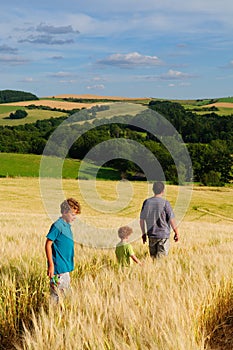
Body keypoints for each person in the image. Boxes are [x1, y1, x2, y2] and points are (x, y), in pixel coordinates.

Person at [45, 197, 81, 302]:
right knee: (56, 297)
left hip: (65, 268)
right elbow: (48, 244)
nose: (75, 217)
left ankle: (61, 315)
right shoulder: (57, 225)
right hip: (58, 269)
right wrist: (51, 265)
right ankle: (54, 315)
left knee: (65, 297)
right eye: (73, 215)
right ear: (65, 212)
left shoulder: (67, 226)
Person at [140, 181, 179, 259]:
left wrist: (143, 234)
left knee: (153, 260)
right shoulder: (165, 203)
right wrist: (176, 232)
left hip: (151, 235)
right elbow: (171, 219)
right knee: (161, 261)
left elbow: (141, 220)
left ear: (153, 189)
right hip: (163, 236)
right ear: (163, 191)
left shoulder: (147, 202)